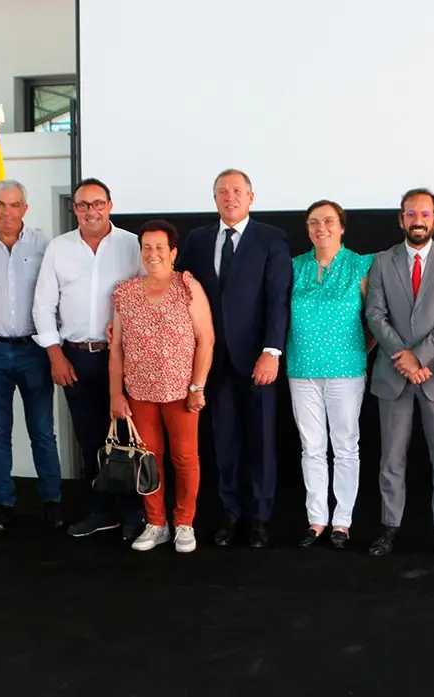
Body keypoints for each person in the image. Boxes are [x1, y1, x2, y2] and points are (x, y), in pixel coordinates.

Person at [175, 169, 292, 549]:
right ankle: (229, 514)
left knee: (261, 442)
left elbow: (278, 300)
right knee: (223, 443)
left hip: (258, 360)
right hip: (212, 362)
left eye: (237, 191)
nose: (230, 197)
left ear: (251, 197)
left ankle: (258, 519)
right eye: (222, 192)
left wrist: (271, 351)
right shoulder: (197, 240)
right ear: (214, 199)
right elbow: (184, 297)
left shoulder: (271, 239)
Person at [32, 178, 146, 541]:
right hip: (76, 358)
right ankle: (99, 511)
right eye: (82, 205)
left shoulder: (132, 245)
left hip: (125, 360)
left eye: (97, 203)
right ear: (75, 209)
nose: (90, 211)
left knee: (128, 438)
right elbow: (43, 304)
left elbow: (149, 295)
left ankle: (134, 514)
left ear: (110, 205)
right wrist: (54, 355)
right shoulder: (59, 248)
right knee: (89, 439)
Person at [364, 187, 434, 558]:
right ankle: (389, 527)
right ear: (401, 220)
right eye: (411, 214)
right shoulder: (381, 261)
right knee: (391, 459)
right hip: (392, 376)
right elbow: (375, 315)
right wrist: (402, 357)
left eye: (425, 214)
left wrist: (419, 358)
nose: (418, 220)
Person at [0, 179, 64, 531]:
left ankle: (52, 502)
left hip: (34, 350)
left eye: (15, 204)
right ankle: (2, 503)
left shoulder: (45, 248)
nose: (7, 211)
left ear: (25, 208)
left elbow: (55, 298)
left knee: (42, 431)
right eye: (1, 204)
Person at [109, 220, 215, 553]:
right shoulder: (125, 292)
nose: (152, 254)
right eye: (146, 247)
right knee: (148, 460)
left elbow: (206, 339)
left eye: (159, 247)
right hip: (139, 392)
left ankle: (184, 523)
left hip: (180, 393)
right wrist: (116, 393)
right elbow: (116, 348)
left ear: (172, 252)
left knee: (185, 458)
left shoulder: (187, 286)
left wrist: (198, 386)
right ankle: (156, 523)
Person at [285, 200, 374, 549]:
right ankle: (317, 519)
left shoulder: (359, 265)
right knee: (312, 447)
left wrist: (360, 350)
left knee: (345, 446)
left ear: (341, 226)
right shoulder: (294, 267)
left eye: (328, 221)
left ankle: (343, 521)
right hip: (301, 369)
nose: (321, 228)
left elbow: (377, 317)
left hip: (346, 371)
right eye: (313, 222)